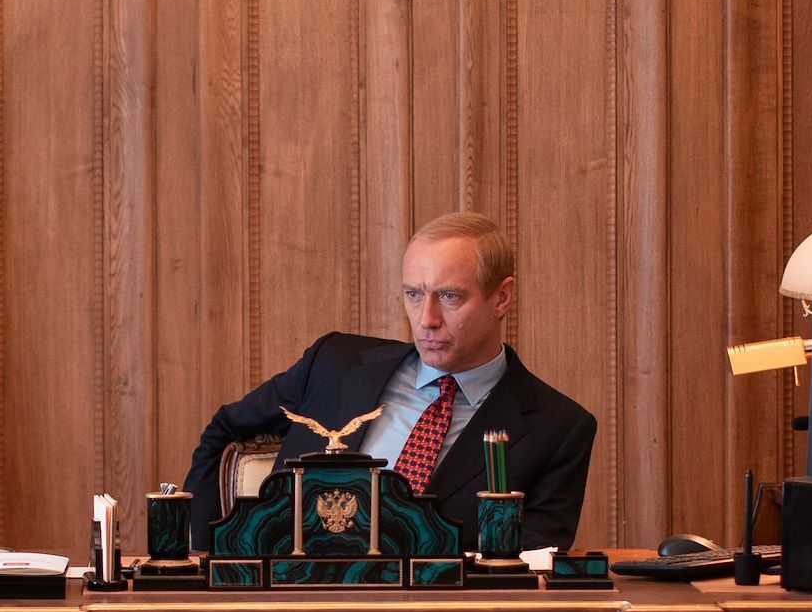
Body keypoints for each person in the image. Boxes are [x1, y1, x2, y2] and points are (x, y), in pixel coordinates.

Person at [183, 212, 596, 552]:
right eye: (414, 294)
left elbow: (532, 565)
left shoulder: (557, 428)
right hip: (294, 606)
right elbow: (225, 429)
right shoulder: (335, 364)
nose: (426, 319)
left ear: (502, 298)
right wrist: (210, 559)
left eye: (450, 297)